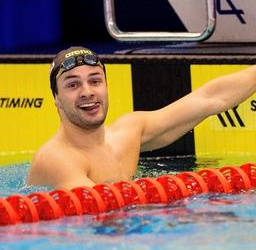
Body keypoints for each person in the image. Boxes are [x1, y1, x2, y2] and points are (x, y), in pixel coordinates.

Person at [27, 46, 256, 189]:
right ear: (56, 98)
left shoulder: (128, 132)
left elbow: (209, 99)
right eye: (73, 84)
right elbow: (100, 218)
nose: (87, 91)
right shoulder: (56, 159)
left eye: (95, 80)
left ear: (106, 87)